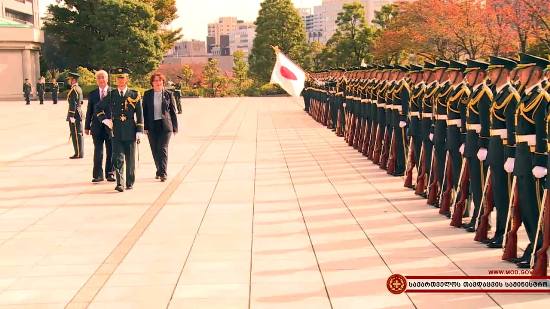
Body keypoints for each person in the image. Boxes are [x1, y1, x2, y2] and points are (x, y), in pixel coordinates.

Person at [95, 68, 144, 192]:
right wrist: (105, 120)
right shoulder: (112, 94)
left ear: (127, 79)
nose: (120, 81)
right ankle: (120, 183)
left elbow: (139, 114)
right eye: (118, 78)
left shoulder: (134, 94)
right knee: (118, 157)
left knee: (130, 158)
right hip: (116, 129)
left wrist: (139, 130)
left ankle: (129, 181)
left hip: (130, 129)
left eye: (122, 78)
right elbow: (98, 107)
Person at [143, 73, 179, 182]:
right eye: (155, 80)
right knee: (155, 149)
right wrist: (144, 126)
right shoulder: (147, 94)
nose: (158, 82)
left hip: (165, 126)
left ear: (163, 82)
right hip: (152, 125)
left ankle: (163, 173)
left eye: (159, 80)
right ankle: (159, 170)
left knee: (162, 148)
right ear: (152, 83)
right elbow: (144, 111)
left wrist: (175, 127)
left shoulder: (169, 94)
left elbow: (173, 111)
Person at [85, 70, 115, 182]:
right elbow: (89, 111)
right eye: (99, 78)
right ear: (96, 80)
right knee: (98, 150)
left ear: (107, 79)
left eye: (103, 77)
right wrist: (87, 126)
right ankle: (98, 174)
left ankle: (110, 173)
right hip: (96, 126)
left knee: (111, 150)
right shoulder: (92, 94)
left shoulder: (113, 92)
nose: (101, 80)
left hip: (110, 126)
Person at [67, 72, 84, 159]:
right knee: (78, 133)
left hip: (75, 114)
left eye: (70, 79)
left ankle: (78, 153)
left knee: (76, 134)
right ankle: (79, 152)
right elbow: (80, 102)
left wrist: (71, 115)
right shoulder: (78, 88)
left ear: (73, 80)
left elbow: (73, 103)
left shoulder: (74, 90)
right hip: (78, 112)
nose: (69, 81)